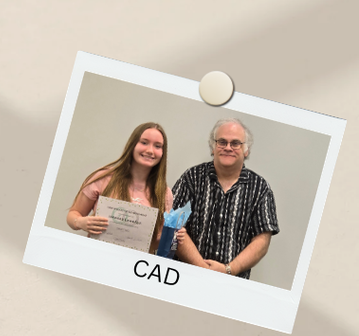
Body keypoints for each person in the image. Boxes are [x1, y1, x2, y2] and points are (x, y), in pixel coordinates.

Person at [173, 118, 279, 277]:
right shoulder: (191, 178)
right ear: (213, 147)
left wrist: (229, 269)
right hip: (186, 276)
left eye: (235, 143)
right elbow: (173, 225)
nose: (228, 148)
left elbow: (262, 241)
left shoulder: (260, 188)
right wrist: (202, 268)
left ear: (246, 150)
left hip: (233, 282)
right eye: (222, 142)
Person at [66, 122, 173, 253]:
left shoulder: (164, 194)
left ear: (163, 152)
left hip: (136, 263)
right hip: (96, 256)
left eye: (157, 146)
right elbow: (73, 214)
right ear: (132, 144)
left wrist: (171, 237)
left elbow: (153, 244)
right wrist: (80, 222)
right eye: (144, 142)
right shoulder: (103, 178)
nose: (150, 150)